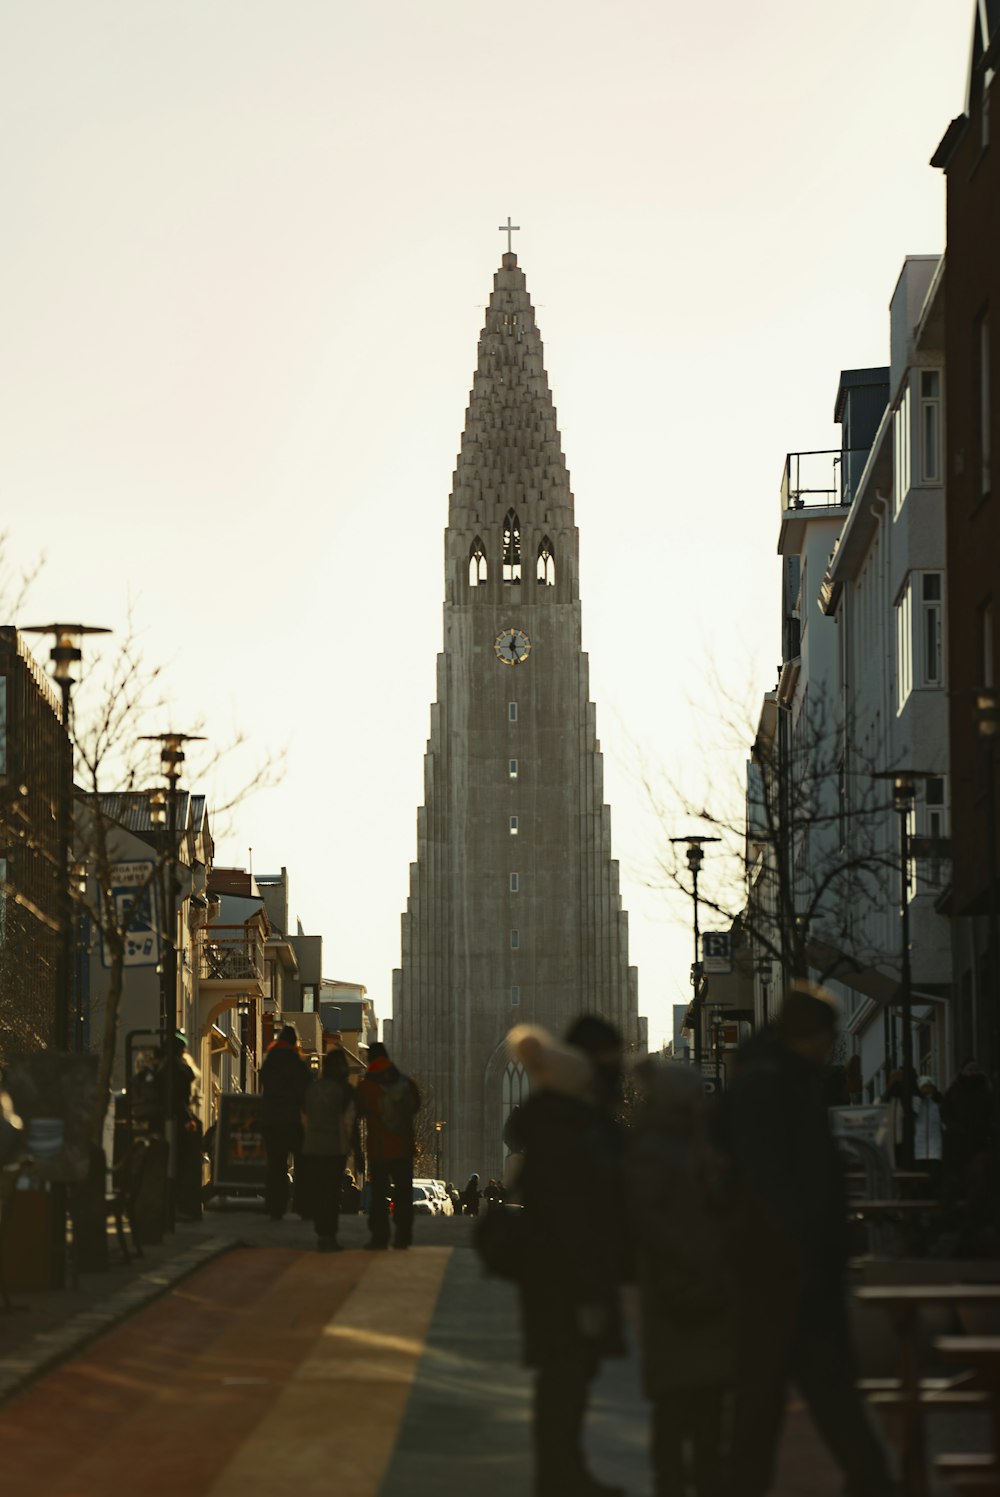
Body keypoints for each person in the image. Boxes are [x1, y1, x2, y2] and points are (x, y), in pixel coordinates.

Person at [716, 981, 896, 1497]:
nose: (830, 1044)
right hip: (788, 1274)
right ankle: (873, 1484)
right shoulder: (774, 1087)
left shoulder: (769, 1081)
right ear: (809, 1035)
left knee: (768, 1404)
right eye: (826, 1034)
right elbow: (777, 1184)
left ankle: (869, 1482)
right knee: (814, 1396)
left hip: (775, 1272)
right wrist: (810, 1254)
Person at [508, 1015, 628, 1497]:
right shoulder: (569, 1131)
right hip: (567, 1278)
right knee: (565, 1377)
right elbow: (574, 1214)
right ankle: (560, 1476)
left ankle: (565, 1472)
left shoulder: (554, 1125)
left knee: (567, 1378)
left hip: (557, 1275)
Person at [628, 1059, 734, 1497]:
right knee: (693, 1411)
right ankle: (687, 1483)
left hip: (677, 1293)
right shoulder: (682, 1147)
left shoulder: (668, 1144)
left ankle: (679, 1482)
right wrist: (701, 1260)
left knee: (680, 1410)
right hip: (686, 1290)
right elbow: (652, 1221)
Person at [355, 1040, 420, 1251]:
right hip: (403, 1148)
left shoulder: (366, 1087)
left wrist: (357, 1152)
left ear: (370, 1060)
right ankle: (403, 1236)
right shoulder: (406, 1084)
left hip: (379, 1149)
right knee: (403, 1194)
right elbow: (415, 1107)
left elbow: (356, 1117)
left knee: (379, 1196)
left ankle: (380, 1237)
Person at [301, 1049, 358, 1251]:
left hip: (313, 1145)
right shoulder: (344, 1090)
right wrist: (351, 1146)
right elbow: (349, 1121)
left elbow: (304, 1116)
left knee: (318, 1189)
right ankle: (329, 1234)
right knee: (332, 1191)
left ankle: (320, 1230)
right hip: (335, 1146)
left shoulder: (312, 1089)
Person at [259, 1024, 310, 1221]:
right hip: (294, 1122)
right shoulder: (298, 1064)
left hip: (271, 1121)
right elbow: (305, 1091)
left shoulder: (269, 1062)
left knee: (275, 1165)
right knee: (302, 1165)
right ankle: (302, 1205)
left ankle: (275, 1206)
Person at [913, 1075, 944, 1196]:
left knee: (935, 1175)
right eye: (924, 1087)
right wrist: (919, 1098)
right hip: (919, 1147)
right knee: (921, 1177)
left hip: (935, 1146)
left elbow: (943, 1120)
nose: (927, 1090)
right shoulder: (915, 1101)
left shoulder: (937, 1102)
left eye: (929, 1087)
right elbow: (913, 1114)